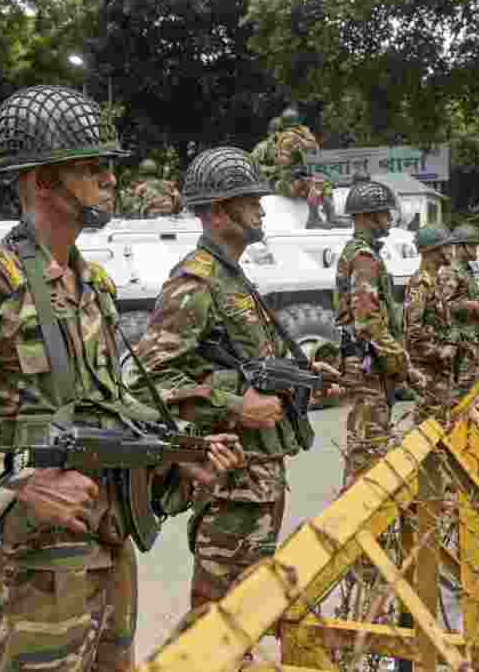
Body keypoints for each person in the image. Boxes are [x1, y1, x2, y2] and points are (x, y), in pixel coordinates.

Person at [0, 85, 245, 672]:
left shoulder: (93, 287)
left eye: (107, 167)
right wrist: (14, 482)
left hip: (106, 545)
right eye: (92, 168)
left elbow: (101, 414)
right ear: (43, 182)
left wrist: (175, 453)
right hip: (37, 566)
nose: (109, 180)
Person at [129, 146, 338, 664]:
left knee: (247, 603)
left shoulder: (232, 278)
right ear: (219, 212)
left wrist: (306, 377)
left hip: (260, 477)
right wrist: (235, 405)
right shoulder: (195, 283)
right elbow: (148, 382)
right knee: (214, 612)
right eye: (250, 202)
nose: (262, 210)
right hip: (230, 481)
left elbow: (252, 365)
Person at [335, 177, 424, 489]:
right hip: (370, 368)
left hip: (369, 366)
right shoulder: (364, 258)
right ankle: (355, 528)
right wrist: (403, 365)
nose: (389, 219)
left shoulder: (360, 253)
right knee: (368, 456)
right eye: (385, 214)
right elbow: (368, 321)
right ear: (371, 216)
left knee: (367, 447)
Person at [404, 226, 455, 426]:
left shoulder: (434, 281)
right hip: (427, 368)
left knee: (438, 424)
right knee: (429, 427)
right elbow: (413, 331)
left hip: (436, 367)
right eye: (446, 247)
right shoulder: (421, 283)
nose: (451, 251)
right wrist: (440, 351)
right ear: (434, 250)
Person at [270, 106, 346, 228]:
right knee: (316, 185)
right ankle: (313, 220)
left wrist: (304, 139)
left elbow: (314, 149)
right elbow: (283, 162)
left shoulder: (298, 135)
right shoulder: (287, 137)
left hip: (298, 179)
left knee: (324, 184)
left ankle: (331, 216)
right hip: (287, 181)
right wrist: (294, 150)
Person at [437, 224, 479, 399]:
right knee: (459, 392)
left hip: (470, 337)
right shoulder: (452, 271)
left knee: (467, 388)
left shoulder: (469, 270)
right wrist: (470, 305)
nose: (475, 249)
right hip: (459, 341)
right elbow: (442, 306)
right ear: (461, 247)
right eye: (472, 245)